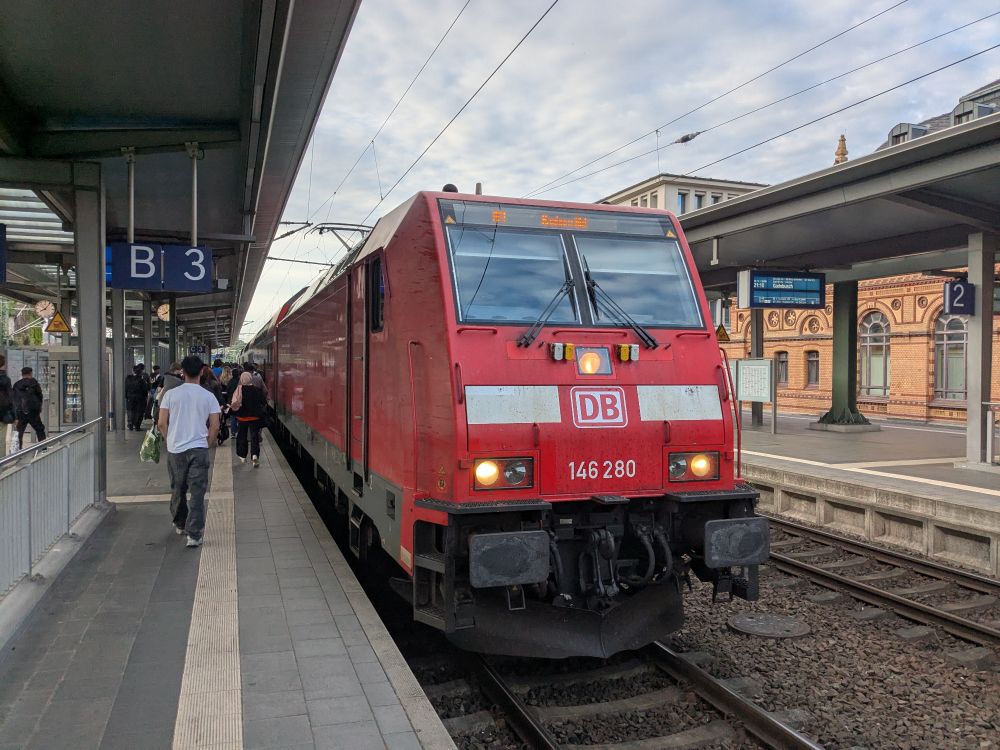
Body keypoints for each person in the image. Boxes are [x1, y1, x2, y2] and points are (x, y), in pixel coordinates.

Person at [157, 356, 221, 548]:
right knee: (197, 492)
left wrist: (171, 439)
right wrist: (207, 443)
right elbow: (215, 427)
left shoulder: (170, 395)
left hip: (176, 449)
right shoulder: (209, 397)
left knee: (178, 487)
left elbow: (161, 423)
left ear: (182, 372)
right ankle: (194, 535)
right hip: (198, 448)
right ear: (202, 371)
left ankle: (179, 523)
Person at [230, 371, 266, 467]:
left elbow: (233, 402)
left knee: (242, 435)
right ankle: (254, 455)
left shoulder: (239, 390)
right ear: (250, 379)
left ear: (241, 379)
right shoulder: (257, 390)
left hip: (242, 418)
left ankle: (242, 456)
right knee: (254, 436)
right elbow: (263, 401)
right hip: (254, 417)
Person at [13, 366, 45, 447]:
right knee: (40, 429)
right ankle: (43, 448)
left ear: (22, 374)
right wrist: (39, 407)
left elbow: (14, 399)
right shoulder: (34, 383)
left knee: (19, 432)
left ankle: (18, 451)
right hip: (33, 411)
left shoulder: (16, 384)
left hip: (21, 411)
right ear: (30, 373)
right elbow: (40, 396)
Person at [124, 364, 148, 431]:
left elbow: (126, 388)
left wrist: (126, 396)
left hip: (130, 398)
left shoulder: (128, 378)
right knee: (139, 412)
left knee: (130, 411)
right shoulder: (142, 380)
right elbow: (145, 390)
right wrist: (145, 397)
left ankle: (130, 424)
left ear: (133, 371)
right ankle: (137, 426)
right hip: (140, 398)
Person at [0, 356, 14, 455]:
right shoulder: (6, 380)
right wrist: (14, 416)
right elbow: (10, 398)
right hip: (2, 413)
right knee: (1, 440)